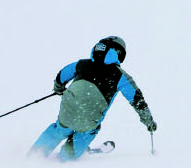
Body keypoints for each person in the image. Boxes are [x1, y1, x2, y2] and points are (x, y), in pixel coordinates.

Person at [29, 35, 157, 161]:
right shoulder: (121, 77)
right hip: (89, 119)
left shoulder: (81, 64)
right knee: (87, 130)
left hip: (67, 111)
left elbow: (61, 76)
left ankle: (36, 154)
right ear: (119, 54)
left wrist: (59, 88)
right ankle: (69, 154)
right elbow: (137, 101)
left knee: (60, 128)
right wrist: (148, 121)